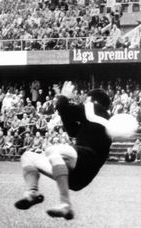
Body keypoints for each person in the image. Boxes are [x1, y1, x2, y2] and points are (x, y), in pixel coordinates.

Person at [14, 81, 112, 220]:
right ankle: (32, 193)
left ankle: (65, 203)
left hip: (85, 159)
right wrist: (63, 104)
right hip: (77, 177)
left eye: (86, 99)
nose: (84, 101)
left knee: (52, 150)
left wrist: (64, 97)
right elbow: (72, 130)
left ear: (93, 100)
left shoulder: (94, 107)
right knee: (28, 156)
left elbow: (63, 107)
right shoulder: (100, 122)